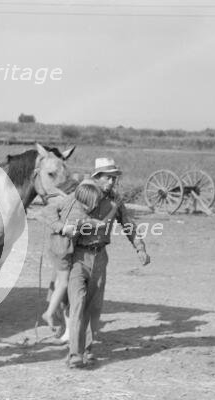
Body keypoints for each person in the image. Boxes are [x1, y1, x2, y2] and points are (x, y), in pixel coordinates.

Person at [47, 158, 151, 369]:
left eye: (114, 178)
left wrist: (140, 247)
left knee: (93, 308)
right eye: (108, 177)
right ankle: (75, 353)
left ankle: (87, 349)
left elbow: (128, 224)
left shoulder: (115, 202)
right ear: (97, 177)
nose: (112, 182)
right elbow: (50, 211)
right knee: (78, 304)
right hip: (78, 257)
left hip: (101, 257)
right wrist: (61, 228)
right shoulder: (80, 195)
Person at [42, 180, 118, 331]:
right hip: (63, 250)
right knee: (64, 282)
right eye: (95, 202)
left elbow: (47, 211)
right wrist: (114, 209)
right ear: (88, 202)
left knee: (60, 279)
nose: (96, 205)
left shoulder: (70, 202)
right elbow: (102, 224)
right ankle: (49, 313)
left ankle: (55, 309)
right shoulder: (80, 217)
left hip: (54, 246)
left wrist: (59, 226)